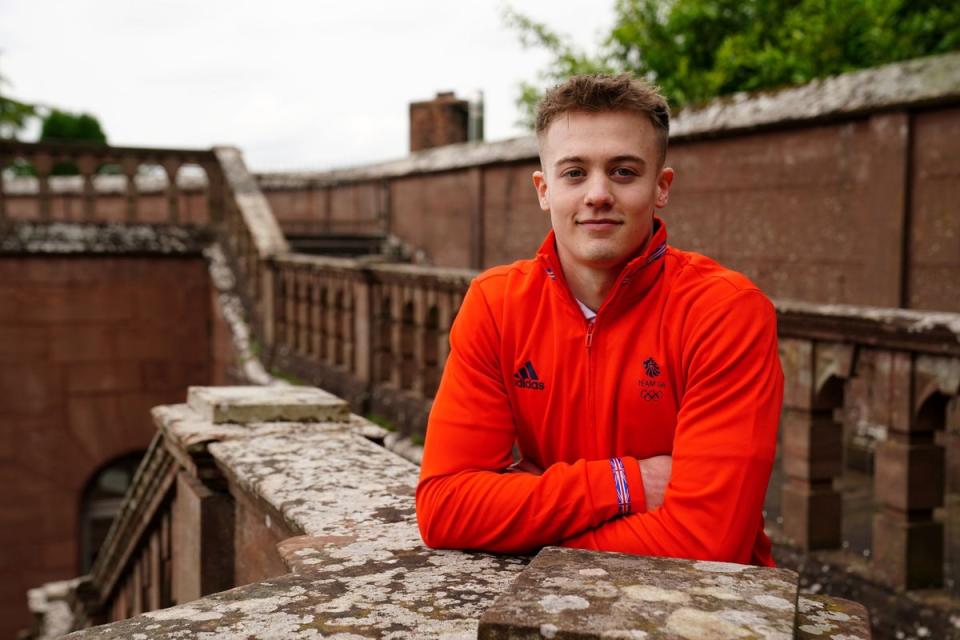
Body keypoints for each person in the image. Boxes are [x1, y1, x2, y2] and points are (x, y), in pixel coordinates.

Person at [415, 74, 783, 566]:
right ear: (544, 190)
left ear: (661, 187)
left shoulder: (724, 312)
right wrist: (625, 483)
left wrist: (521, 521)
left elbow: (707, 543)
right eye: (574, 173)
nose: (597, 194)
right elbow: (445, 510)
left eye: (624, 172)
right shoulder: (496, 304)